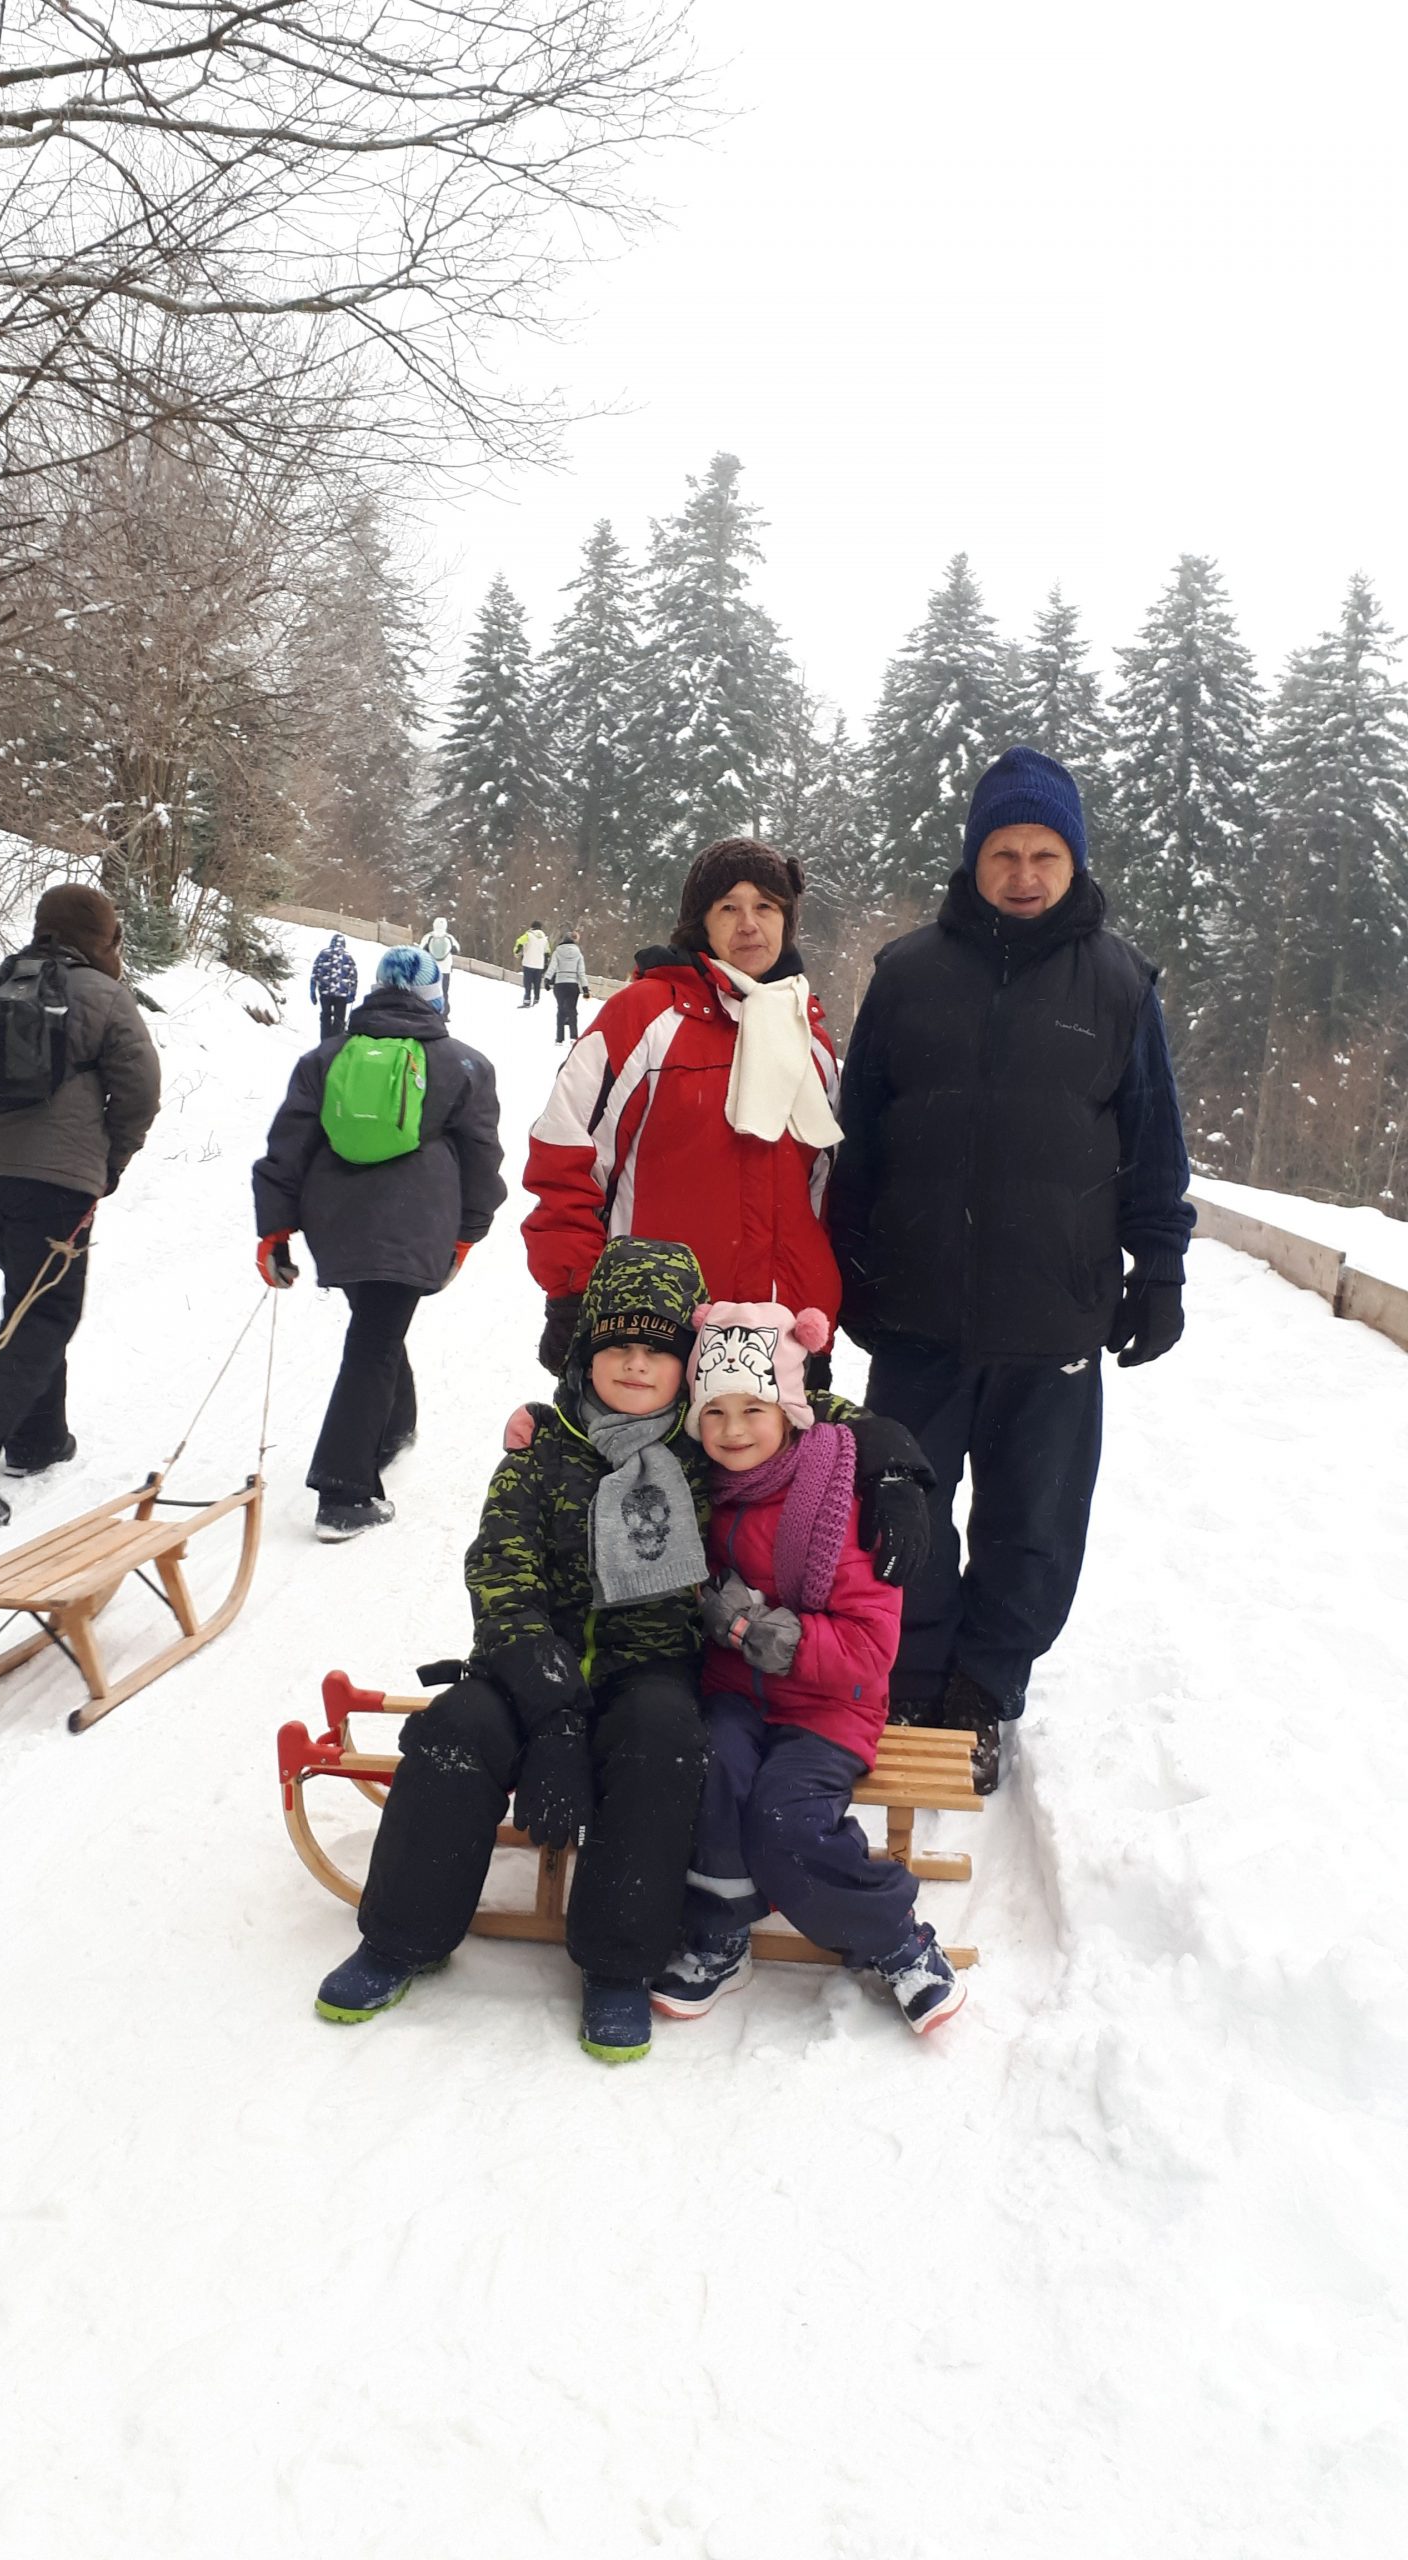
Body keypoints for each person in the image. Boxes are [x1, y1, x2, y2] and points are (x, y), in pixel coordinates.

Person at [829, 747, 1195, 1790]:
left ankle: (985, 1687)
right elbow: (860, 1135)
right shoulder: (907, 974)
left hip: (1055, 1315)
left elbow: (1154, 1141)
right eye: (1005, 853)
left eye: (1045, 855)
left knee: (1032, 1523)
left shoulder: (1120, 983)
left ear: (1074, 863)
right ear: (973, 858)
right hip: (919, 1312)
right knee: (903, 1507)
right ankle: (913, 1676)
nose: (1025, 874)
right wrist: (850, 1264)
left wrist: (1159, 1267)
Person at [313, 1237, 712, 2065]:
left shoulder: (712, 1449)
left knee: (663, 1742)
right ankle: (399, 1938)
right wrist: (554, 1714)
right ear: (586, 1351)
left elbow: (810, 1417)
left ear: (689, 1363)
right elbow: (500, 1572)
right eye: (617, 1345)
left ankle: (617, 1964)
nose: (636, 1364)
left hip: (646, 1672)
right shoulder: (542, 1449)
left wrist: (886, 1457)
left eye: (658, 1349)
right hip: (531, 1669)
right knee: (455, 1728)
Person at [651, 1301, 966, 2036]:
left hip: (830, 1707)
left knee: (784, 1821)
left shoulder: (841, 1497)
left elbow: (869, 1649)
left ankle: (895, 1940)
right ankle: (721, 1931)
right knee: (710, 1774)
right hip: (735, 1695)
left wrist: (773, 1636)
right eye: (713, 1410)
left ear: (790, 1409)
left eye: (753, 1409)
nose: (732, 1429)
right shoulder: (700, 1493)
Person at [523, 840, 843, 1374]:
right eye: (729, 907)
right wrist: (574, 1291)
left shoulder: (811, 1041)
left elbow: (822, 1196)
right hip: (654, 1334)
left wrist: (815, 1323)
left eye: (766, 906)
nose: (749, 924)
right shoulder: (644, 1017)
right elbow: (566, 1157)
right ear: (702, 923)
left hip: (777, 1342)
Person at [253, 945, 505, 1542]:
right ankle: (343, 1493)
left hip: (335, 1221)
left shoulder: (325, 1057)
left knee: (376, 1326)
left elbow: (287, 1147)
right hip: (417, 1218)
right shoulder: (464, 1065)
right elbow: (481, 1156)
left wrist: (275, 1230)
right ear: (435, 995)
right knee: (374, 1340)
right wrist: (469, 1231)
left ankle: (392, 1429)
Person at [0, 883, 161, 1529]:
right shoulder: (104, 995)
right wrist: (112, 1162)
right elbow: (139, 1090)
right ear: (104, 938)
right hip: (57, 1179)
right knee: (47, 1311)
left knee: (29, 1300)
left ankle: (38, 1439)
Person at [543, 928, 589, 1045]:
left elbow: (552, 967)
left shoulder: (557, 952)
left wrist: (547, 980)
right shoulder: (578, 954)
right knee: (572, 1010)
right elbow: (581, 973)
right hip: (573, 985)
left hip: (560, 984)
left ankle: (559, 1039)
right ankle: (573, 1037)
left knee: (561, 1009)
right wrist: (585, 989)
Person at [308, 932, 357, 1041]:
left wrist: (312, 990)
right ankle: (335, 1043)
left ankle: (325, 1041)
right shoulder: (348, 957)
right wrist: (352, 993)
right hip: (341, 994)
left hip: (325, 992)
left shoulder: (323, 953)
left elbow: (315, 972)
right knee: (339, 1019)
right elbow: (353, 977)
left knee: (325, 1017)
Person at [513, 920, 550, 1007]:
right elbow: (547, 952)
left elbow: (519, 942)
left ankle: (527, 1000)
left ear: (532, 927)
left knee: (528, 984)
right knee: (537, 984)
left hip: (528, 963)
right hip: (539, 965)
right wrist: (545, 963)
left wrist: (516, 952)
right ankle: (536, 1000)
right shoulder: (544, 939)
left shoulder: (528, 935)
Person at [420, 917, 460, 991]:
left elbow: (421, 950)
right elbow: (456, 950)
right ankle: (444, 998)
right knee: (444, 991)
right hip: (446, 968)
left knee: (432, 991)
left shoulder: (428, 937)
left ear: (434, 924)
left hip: (432, 968)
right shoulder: (449, 937)